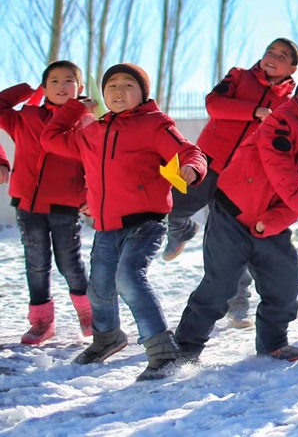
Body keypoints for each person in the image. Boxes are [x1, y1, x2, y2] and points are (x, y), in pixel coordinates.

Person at [42, 64, 207, 380]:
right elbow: (51, 139)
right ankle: (107, 337)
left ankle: (163, 352)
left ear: (142, 93)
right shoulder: (92, 131)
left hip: (146, 221)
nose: (118, 90)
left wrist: (192, 168)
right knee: (99, 289)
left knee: (128, 278)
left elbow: (189, 151)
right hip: (106, 225)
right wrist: (77, 107)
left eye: (128, 85)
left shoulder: (155, 124)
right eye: (111, 85)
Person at [175, 76, 298, 363]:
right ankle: (184, 348)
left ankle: (273, 342)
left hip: (267, 226)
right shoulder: (279, 121)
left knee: (286, 280)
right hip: (232, 213)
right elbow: (279, 167)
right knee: (220, 285)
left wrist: (272, 222)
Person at [164, 39, 298, 329]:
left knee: (232, 242)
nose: (273, 57)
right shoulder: (238, 76)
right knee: (172, 205)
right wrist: (256, 112)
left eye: (282, 55)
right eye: (269, 51)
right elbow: (214, 105)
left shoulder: (290, 103)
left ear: (293, 68)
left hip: (242, 179)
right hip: (209, 161)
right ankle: (182, 229)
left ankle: (238, 305)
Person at [0, 62, 92, 344]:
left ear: (80, 88)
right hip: (28, 205)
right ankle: (42, 323)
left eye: (68, 81)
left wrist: (91, 194)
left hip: (66, 205)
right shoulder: (26, 117)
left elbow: (94, 163)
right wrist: (28, 90)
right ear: (45, 87)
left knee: (70, 264)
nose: (61, 86)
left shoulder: (86, 123)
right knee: (36, 264)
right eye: (53, 81)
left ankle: (90, 315)